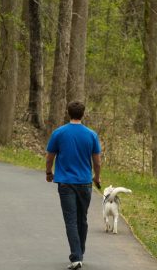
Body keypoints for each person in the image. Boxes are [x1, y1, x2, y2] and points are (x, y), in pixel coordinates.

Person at [45, 101, 102, 270]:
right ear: (83, 114)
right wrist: (96, 178)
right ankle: (79, 254)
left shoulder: (59, 133)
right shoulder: (91, 135)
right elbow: (97, 162)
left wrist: (49, 172)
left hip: (66, 183)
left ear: (68, 113)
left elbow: (50, 156)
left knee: (71, 220)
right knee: (82, 219)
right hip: (85, 183)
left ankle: (77, 257)